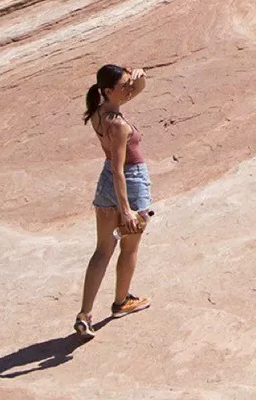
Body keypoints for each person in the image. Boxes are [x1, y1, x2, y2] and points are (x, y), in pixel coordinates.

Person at [75, 64, 153, 336]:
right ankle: (121, 302)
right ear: (109, 90)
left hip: (105, 183)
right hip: (129, 183)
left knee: (102, 250)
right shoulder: (118, 125)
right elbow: (120, 171)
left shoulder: (99, 112)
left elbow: (136, 89)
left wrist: (138, 77)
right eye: (124, 86)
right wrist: (127, 210)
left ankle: (84, 314)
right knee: (129, 249)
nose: (129, 89)